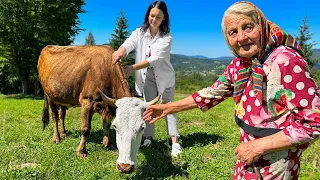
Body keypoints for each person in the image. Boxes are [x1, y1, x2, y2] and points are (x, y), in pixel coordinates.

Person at [143, 1, 320, 179]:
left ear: (262, 26)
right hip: (247, 155)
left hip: (277, 163)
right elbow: (212, 92)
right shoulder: (241, 63)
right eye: (233, 32)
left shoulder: (285, 61)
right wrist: (168, 107)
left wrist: (258, 146)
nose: (241, 38)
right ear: (227, 39)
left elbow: (313, 123)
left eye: (248, 27)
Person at [112, 0, 182, 156]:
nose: (154, 20)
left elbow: (155, 59)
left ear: (164, 18)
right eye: (152, 16)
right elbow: (129, 43)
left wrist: (131, 68)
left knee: (168, 107)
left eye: (158, 17)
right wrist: (120, 51)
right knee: (148, 109)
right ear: (147, 15)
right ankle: (149, 137)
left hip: (165, 77)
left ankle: (174, 141)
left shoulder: (167, 38)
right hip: (146, 77)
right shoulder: (139, 32)